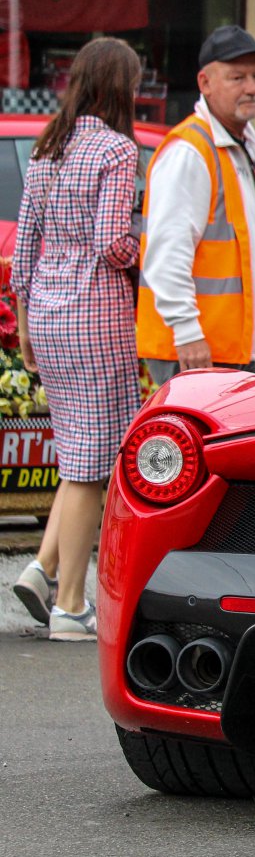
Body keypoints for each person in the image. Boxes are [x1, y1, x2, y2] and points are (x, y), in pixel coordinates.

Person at [9, 37, 143, 640]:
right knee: (93, 463)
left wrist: (26, 324)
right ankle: (70, 605)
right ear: (121, 87)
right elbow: (114, 241)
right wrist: (150, 245)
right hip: (97, 314)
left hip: (49, 313)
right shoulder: (117, 150)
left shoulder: (46, 149)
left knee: (76, 452)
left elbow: (24, 250)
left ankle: (41, 570)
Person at [136, 25, 255, 383]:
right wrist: (187, 332)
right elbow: (167, 254)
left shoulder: (243, 145)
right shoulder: (191, 151)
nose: (252, 87)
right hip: (200, 351)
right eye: (237, 77)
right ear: (205, 83)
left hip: (226, 349)